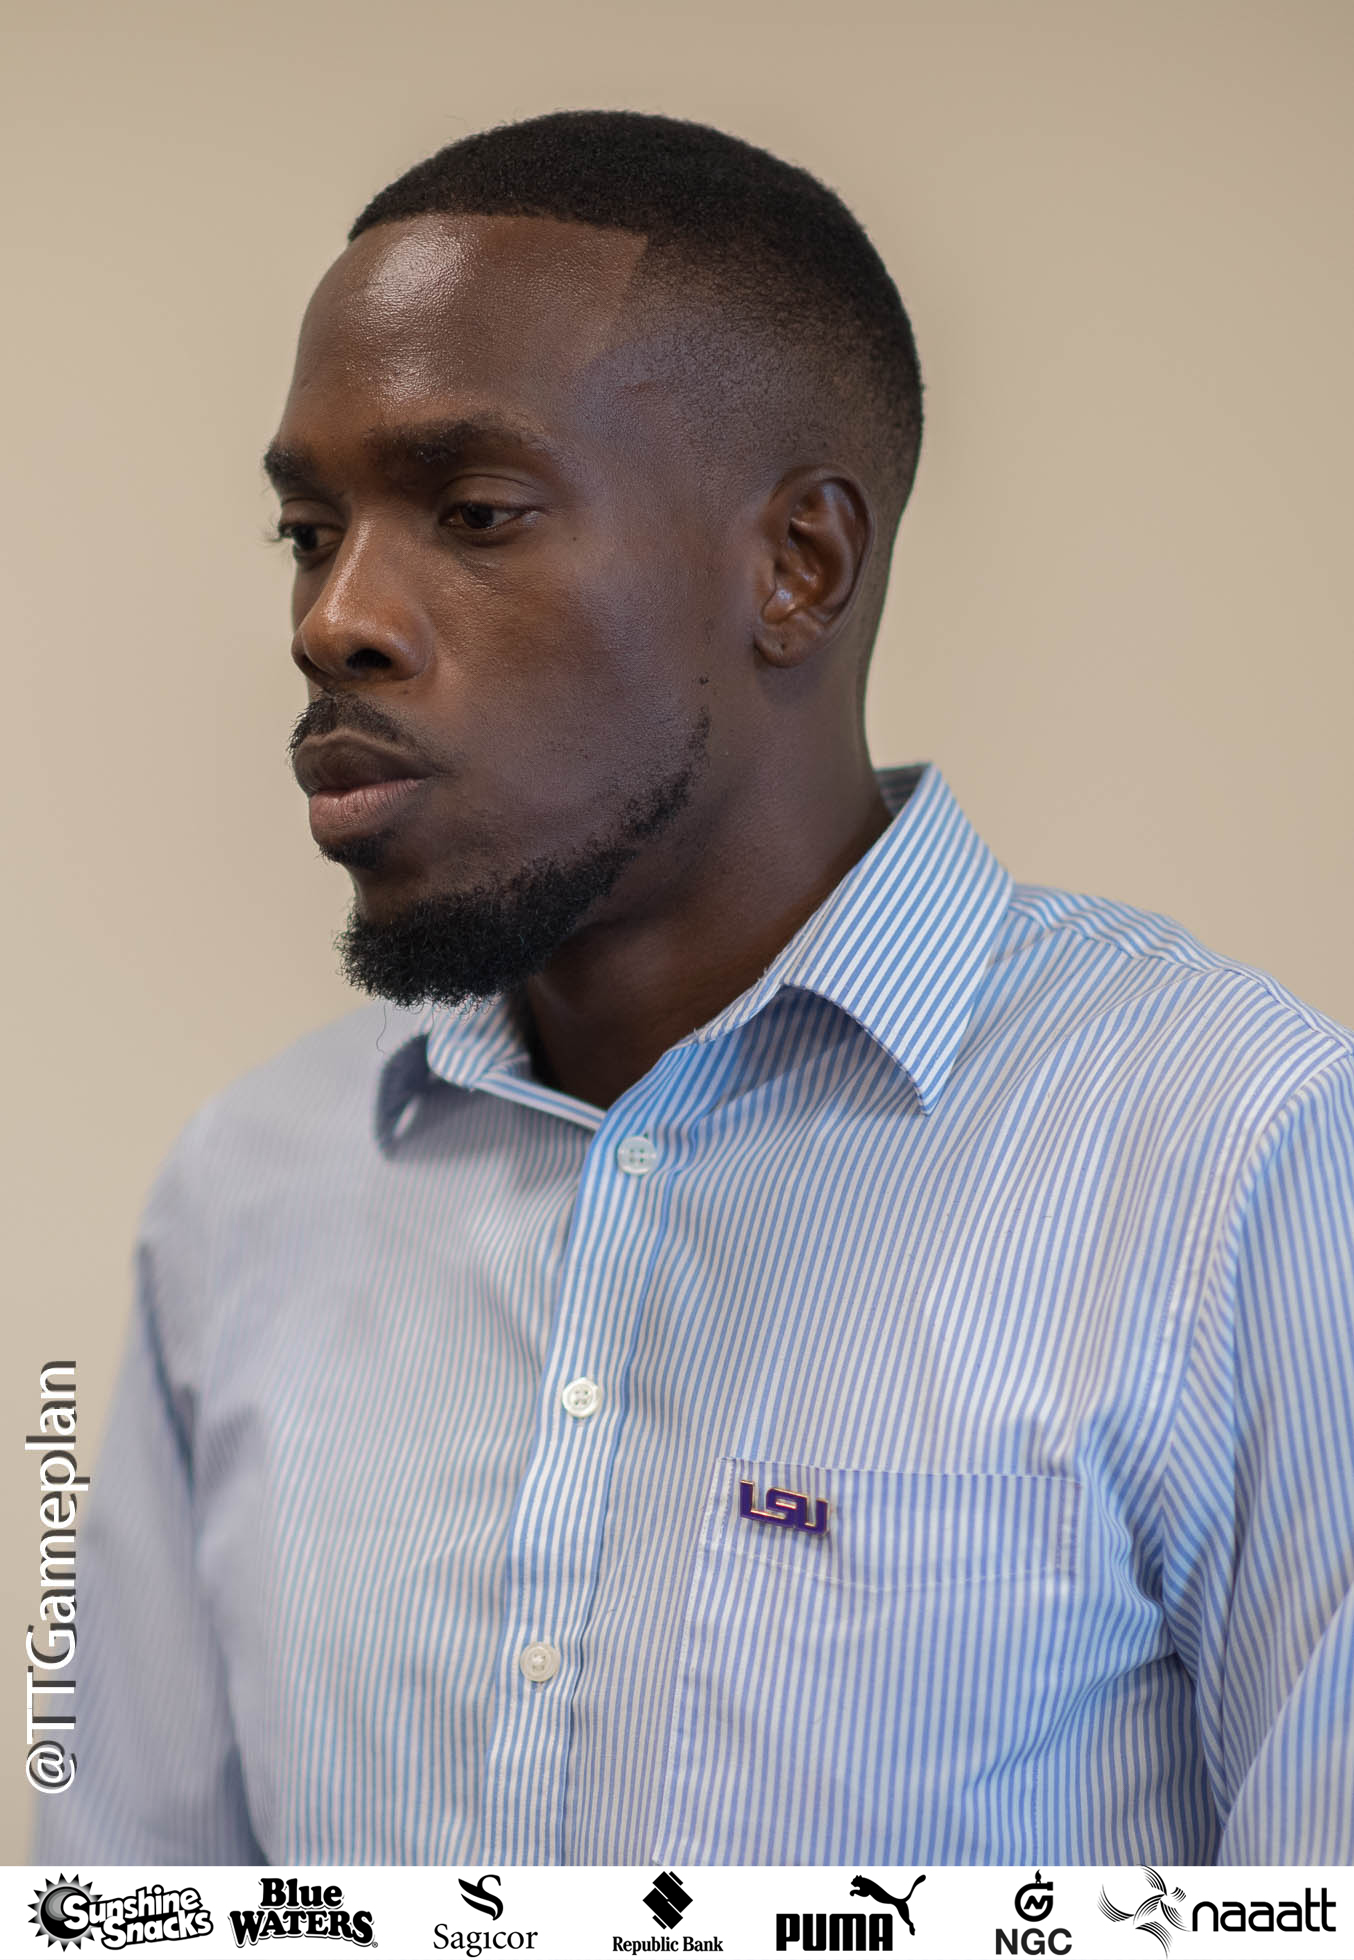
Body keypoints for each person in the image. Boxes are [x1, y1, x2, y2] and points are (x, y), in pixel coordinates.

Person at [35, 109, 1353, 1869]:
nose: (332, 619)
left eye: (472, 513)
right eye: (306, 529)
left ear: (797, 566)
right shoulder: (246, 1195)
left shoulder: (1241, 1159)